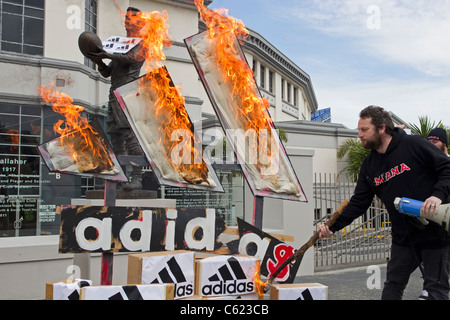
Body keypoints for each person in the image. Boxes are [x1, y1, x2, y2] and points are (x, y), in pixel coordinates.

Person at [319, 106, 450, 300]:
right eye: (359, 130)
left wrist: (437, 195)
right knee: (392, 288)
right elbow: (359, 202)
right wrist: (333, 226)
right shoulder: (369, 165)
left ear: (381, 128)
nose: (359, 135)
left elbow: (446, 168)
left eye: (364, 130)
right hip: (404, 238)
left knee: (436, 292)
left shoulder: (413, 144)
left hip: (435, 234)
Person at [94, 7, 146, 191]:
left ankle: (137, 178)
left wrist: (107, 54)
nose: (127, 21)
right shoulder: (120, 44)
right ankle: (121, 177)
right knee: (115, 136)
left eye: (131, 18)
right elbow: (108, 72)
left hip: (128, 93)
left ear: (140, 23)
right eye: (126, 17)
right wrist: (99, 60)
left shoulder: (141, 43)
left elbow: (130, 60)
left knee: (131, 137)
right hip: (114, 93)